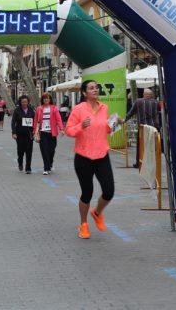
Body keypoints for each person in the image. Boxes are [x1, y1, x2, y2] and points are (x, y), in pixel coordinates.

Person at [66, 80, 121, 239]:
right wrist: (81, 126)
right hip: (83, 156)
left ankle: (97, 213)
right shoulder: (78, 109)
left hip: (102, 155)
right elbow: (68, 131)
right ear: (84, 93)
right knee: (87, 193)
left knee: (109, 191)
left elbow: (106, 129)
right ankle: (83, 224)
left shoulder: (104, 108)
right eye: (91, 88)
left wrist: (115, 124)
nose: (95, 89)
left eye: (97, 87)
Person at [124, 88, 161, 168]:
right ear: (151, 95)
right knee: (152, 146)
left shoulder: (138, 102)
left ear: (144, 94)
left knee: (140, 146)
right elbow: (161, 112)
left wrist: (125, 120)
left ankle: (139, 163)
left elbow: (131, 113)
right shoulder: (156, 102)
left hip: (143, 128)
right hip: (154, 128)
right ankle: (152, 163)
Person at [33, 93, 64, 175]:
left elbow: (59, 119)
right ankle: (46, 168)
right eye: (44, 98)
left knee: (51, 150)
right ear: (42, 100)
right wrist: (34, 132)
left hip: (52, 133)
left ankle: (50, 163)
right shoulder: (39, 109)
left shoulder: (54, 108)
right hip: (42, 133)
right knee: (44, 151)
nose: (46, 100)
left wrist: (61, 129)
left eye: (48, 98)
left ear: (50, 99)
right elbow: (35, 121)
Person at [11, 95, 35, 174]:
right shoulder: (17, 110)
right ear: (20, 103)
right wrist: (14, 133)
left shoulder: (31, 110)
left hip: (29, 134)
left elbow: (35, 121)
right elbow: (13, 122)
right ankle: (20, 163)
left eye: (25, 101)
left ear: (28, 102)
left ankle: (28, 167)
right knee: (20, 151)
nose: (24, 103)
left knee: (29, 151)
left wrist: (35, 132)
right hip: (20, 134)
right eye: (22, 102)